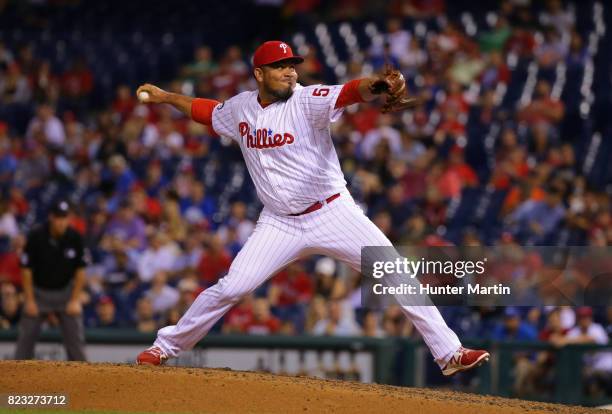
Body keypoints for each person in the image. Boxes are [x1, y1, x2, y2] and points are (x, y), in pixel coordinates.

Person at [135, 40, 489, 376]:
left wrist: (375, 85)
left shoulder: (307, 100)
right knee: (231, 288)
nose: (290, 72)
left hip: (332, 213)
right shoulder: (241, 107)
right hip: (279, 223)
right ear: (259, 73)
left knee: (395, 271)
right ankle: (165, 346)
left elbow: (350, 92)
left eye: (292, 66)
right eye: (280, 67)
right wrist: (166, 97)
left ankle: (449, 353)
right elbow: (207, 111)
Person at [15, 200, 88, 360]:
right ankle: (18, 376)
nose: (61, 222)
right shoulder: (36, 236)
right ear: (51, 218)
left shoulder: (75, 237)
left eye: (64, 218)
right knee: (24, 342)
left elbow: (80, 270)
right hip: (39, 293)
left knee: (76, 345)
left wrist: (75, 300)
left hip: (65, 293)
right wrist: (29, 300)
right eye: (58, 217)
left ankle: (83, 379)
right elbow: (26, 269)